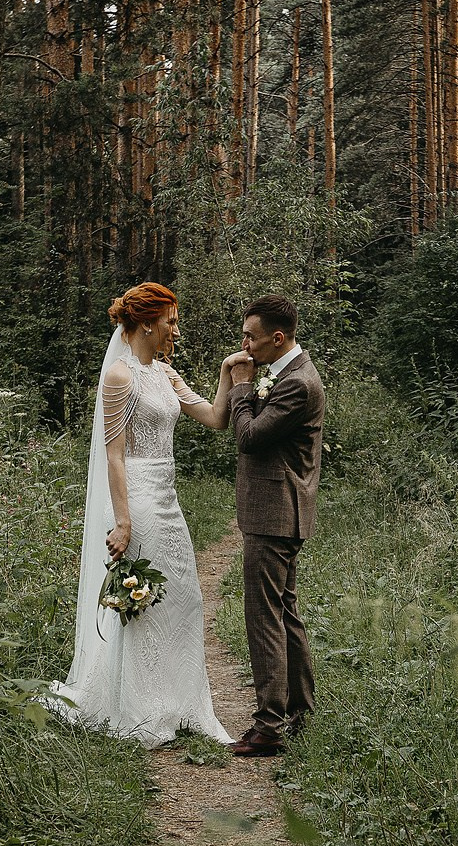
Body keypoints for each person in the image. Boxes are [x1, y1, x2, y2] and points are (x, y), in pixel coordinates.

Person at [49, 283, 239, 746]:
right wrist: (123, 521)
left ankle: (184, 704)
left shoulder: (166, 374)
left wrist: (228, 373)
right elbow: (113, 455)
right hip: (136, 497)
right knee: (145, 601)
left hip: (167, 495)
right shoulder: (120, 377)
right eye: (171, 321)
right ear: (148, 324)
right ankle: (142, 707)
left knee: (185, 596)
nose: (176, 330)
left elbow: (216, 418)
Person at [219, 294, 324, 759]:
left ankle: (269, 727)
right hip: (280, 512)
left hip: (275, 513)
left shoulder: (297, 383)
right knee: (285, 613)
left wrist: (242, 386)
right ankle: (297, 713)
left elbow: (248, 437)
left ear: (277, 338)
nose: (244, 344)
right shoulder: (286, 373)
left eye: (251, 337)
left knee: (264, 618)